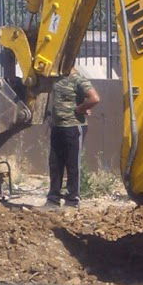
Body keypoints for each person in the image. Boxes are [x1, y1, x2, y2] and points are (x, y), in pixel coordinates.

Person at [45, 67, 100, 207]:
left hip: (73, 127)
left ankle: (72, 200)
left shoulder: (78, 79)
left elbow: (94, 98)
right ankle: (53, 199)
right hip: (58, 127)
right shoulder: (55, 78)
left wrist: (79, 109)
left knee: (72, 164)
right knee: (55, 163)